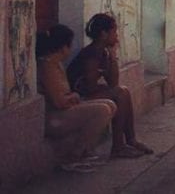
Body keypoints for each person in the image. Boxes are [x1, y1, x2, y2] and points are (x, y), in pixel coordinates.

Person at [67, 13, 153, 159]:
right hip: (77, 96)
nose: (117, 36)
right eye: (114, 32)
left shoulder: (104, 52)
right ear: (103, 34)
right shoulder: (92, 54)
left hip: (88, 91)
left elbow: (113, 82)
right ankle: (118, 146)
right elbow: (90, 86)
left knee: (123, 91)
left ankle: (131, 140)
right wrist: (107, 90)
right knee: (119, 94)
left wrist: (112, 56)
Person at [36, 24, 117, 173]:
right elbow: (59, 101)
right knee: (103, 110)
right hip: (54, 118)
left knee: (110, 105)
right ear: (63, 47)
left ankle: (85, 151)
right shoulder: (47, 66)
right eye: (70, 44)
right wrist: (74, 97)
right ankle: (73, 156)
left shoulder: (56, 64)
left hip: (64, 111)